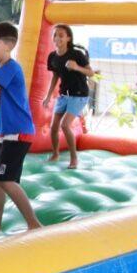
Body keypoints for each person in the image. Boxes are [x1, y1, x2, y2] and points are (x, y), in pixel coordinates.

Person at [0, 22, 41, 232]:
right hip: (2, 132)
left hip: (18, 133)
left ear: (9, 46)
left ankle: (33, 223)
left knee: (6, 180)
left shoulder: (12, 68)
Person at [40, 23, 93, 169]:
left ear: (68, 38)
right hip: (64, 95)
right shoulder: (52, 57)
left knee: (65, 125)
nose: (57, 38)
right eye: (55, 35)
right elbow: (55, 76)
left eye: (61, 35)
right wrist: (48, 95)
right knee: (54, 126)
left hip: (79, 94)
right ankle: (55, 154)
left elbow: (91, 73)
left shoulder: (76, 54)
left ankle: (74, 159)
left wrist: (76, 67)